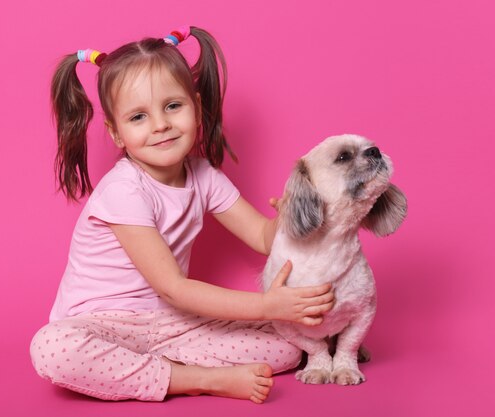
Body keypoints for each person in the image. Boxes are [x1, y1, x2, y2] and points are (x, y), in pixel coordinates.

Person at [30, 25, 334, 404]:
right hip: (104, 324)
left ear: (196, 107)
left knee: (286, 348)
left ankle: (146, 366)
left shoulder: (203, 174)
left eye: (173, 106)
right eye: (138, 117)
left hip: (173, 323)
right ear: (117, 134)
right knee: (53, 349)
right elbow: (173, 286)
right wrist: (265, 305)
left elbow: (261, 236)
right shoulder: (124, 190)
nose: (160, 125)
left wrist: (292, 213)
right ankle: (197, 378)